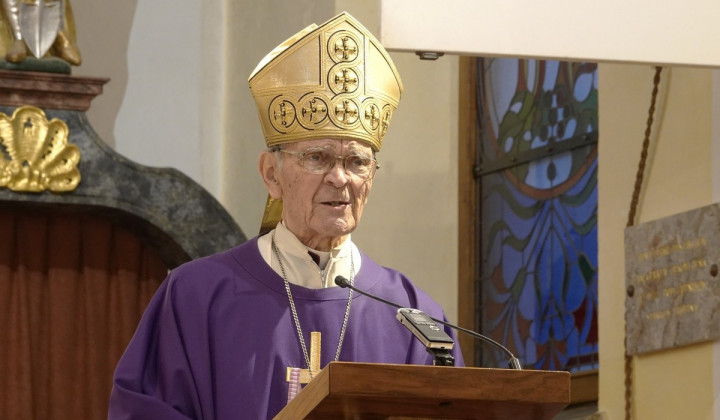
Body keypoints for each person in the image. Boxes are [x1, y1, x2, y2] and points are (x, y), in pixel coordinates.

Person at [108, 12, 463, 420]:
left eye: (357, 162)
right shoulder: (196, 296)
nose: (340, 178)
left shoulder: (414, 315)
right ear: (271, 175)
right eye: (317, 158)